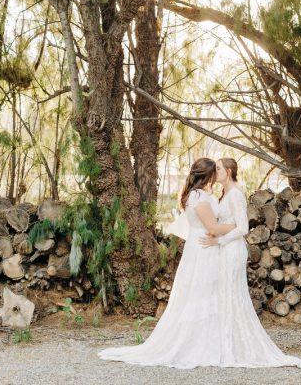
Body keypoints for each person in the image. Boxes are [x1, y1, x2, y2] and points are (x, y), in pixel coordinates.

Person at [98, 157, 229, 369]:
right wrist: (235, 227)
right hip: (205, 248)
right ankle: (199, 344)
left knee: (202, 294)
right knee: (202, 294)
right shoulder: (200, 197)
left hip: (199, 248)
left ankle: (208, 341)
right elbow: (212, 227)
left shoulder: (195, 195)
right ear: (209, 175)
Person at [201, 157, 301, 369]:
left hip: (232, 249)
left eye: (219, 169)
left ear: (230, 171)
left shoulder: (235, 195)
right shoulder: (224, 195)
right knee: (224, 295)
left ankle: (236, 348)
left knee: (231, 295)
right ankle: (226, 345)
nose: (216, 172)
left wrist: (219, 240)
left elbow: (243, 228)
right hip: (224, 249)